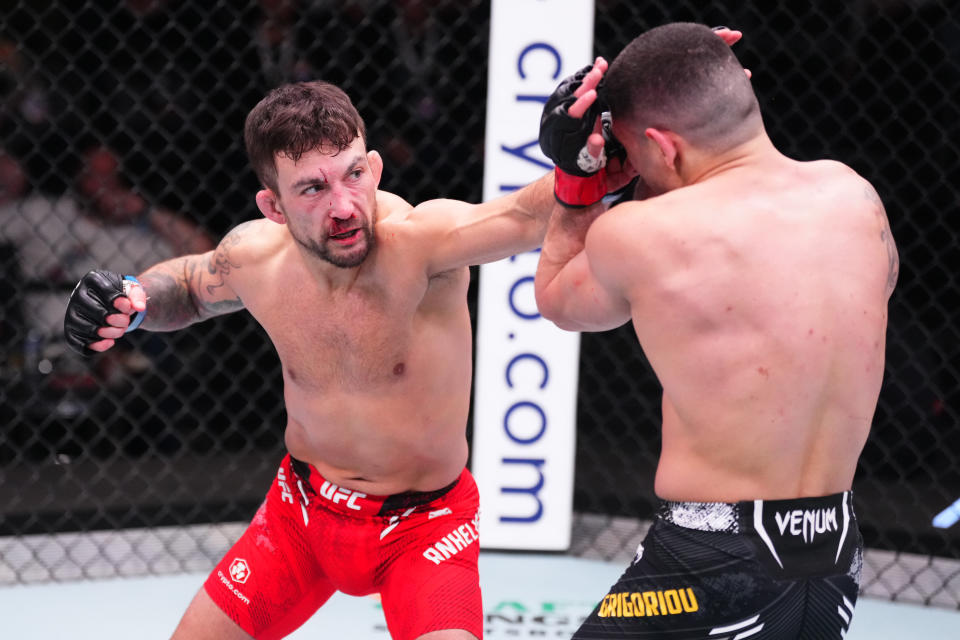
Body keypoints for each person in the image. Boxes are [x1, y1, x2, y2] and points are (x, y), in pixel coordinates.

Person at [62, 80, 557, 640]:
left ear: (374, 166)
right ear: (272, 206)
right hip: (300, 512)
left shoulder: (422, 243)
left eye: (353, 174)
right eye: (312, 189)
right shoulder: (256, 257)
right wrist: (133, 298)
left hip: (424, 529)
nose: (343, 206)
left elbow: (522, 215)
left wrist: (587, 163)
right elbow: (192, 286)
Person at [534, 22, 897, 639]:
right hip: (835, 553)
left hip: (708, 562)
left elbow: (559, 300)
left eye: (636, 152)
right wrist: (687, 67)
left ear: (663, 146)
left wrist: (580, 180)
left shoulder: (644, 233)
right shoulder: (856, 198)